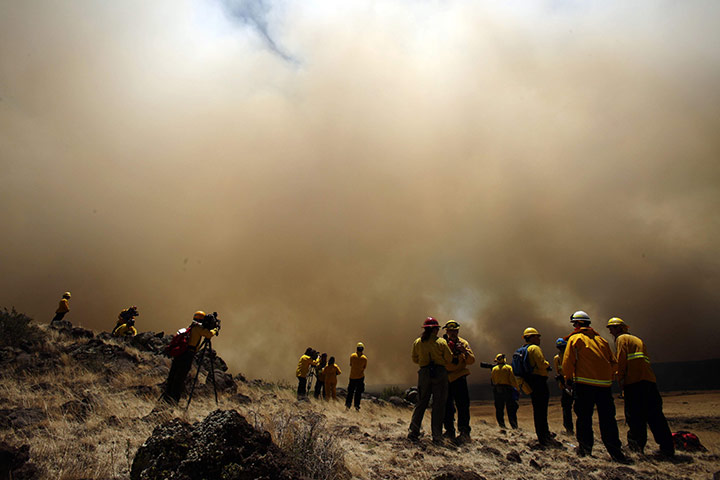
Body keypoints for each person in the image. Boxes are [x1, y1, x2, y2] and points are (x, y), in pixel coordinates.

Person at [563, 311, 627, 462]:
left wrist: (568, 380)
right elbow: (614, 362)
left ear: (578, 324)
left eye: (574, 324)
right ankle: (616, 452)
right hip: (604, 387)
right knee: (608, 420)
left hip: (584, 386)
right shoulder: (602, 340)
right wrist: (607, 377)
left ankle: (585, 450)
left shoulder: (575, 339)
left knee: (584, 419)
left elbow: (568, 361)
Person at [607, 317, 674, 457]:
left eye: (611, 328)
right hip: (649, 382)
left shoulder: (621, 339)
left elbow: (621, 360)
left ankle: (635, 447)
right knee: (656, 417)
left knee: (635, 417)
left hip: (634, 384)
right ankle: (667, 448)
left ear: (619, 328)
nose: (610, 332)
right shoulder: (637, 340)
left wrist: (620, 380)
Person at [408, 317, 454, 443]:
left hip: (424, 373)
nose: (438, 331)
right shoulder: (441, 342)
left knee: (421, 402)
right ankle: (437, 436)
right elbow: (449, 359)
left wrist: (424, 364)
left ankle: (413, 432)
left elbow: (414, 359)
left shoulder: (418, 342)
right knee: (438, 405)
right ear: (434, 329)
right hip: (439, 373)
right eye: (437, 328)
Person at [161, 310, 219, 405]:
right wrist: (215, 329)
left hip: (180, 354)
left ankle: (166, 398)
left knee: (173, 375)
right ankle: (173, 401)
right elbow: (209, 334)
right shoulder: (198, 328)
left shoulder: (190, 327)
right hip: (187, 355)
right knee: (180, 378)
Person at [519, 327, 556, 445]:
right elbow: (541, 363)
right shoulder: (534, 348)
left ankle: (542, 435)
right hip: (539, 381)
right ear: (532, 337)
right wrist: (547, 364)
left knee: (537, 409)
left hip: (530, 381)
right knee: (542, 410)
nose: (539, 338)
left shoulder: (523, 349)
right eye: (537, 336)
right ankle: (544, 437)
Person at [442, 320, 475, 443]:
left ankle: (464, 431)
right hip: (446, 378)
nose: (453, 333)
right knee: (447, 406)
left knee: (463, 405)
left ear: (458, 331)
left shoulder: (463, 343)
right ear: (446, 331)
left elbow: (471, 360)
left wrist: (464, 351)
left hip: (460, 378)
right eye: (450, 330)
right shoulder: (442, 343)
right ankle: (449, 430)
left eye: (455, 330)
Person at [491, 353, 519, 429]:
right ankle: (514, 426)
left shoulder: (494, 369)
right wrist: (517, 389)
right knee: (511, 409)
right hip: (508, 390)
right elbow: (513, 380)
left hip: (497, 390)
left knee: (499, 409)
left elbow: (493, 380)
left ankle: (502, 425)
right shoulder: (508, 368)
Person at [554, 337, 574, 434]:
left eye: (563, 347)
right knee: (566, 407)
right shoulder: (557, 358)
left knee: (580, 408)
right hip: (565, 385)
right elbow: (558, 370)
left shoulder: (572, 355)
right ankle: (569, 429)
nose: (561, 349)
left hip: (574, 383)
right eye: (559, 347)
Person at [345, 342, 368, 411]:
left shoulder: (352, 356)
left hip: (352, 377)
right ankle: (357, 406)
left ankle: (348, 406)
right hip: (360, 377)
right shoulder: (364, 358)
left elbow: (351, 364)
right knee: (358, 393)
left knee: (350, 392)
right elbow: (364, 367)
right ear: (363, 349)